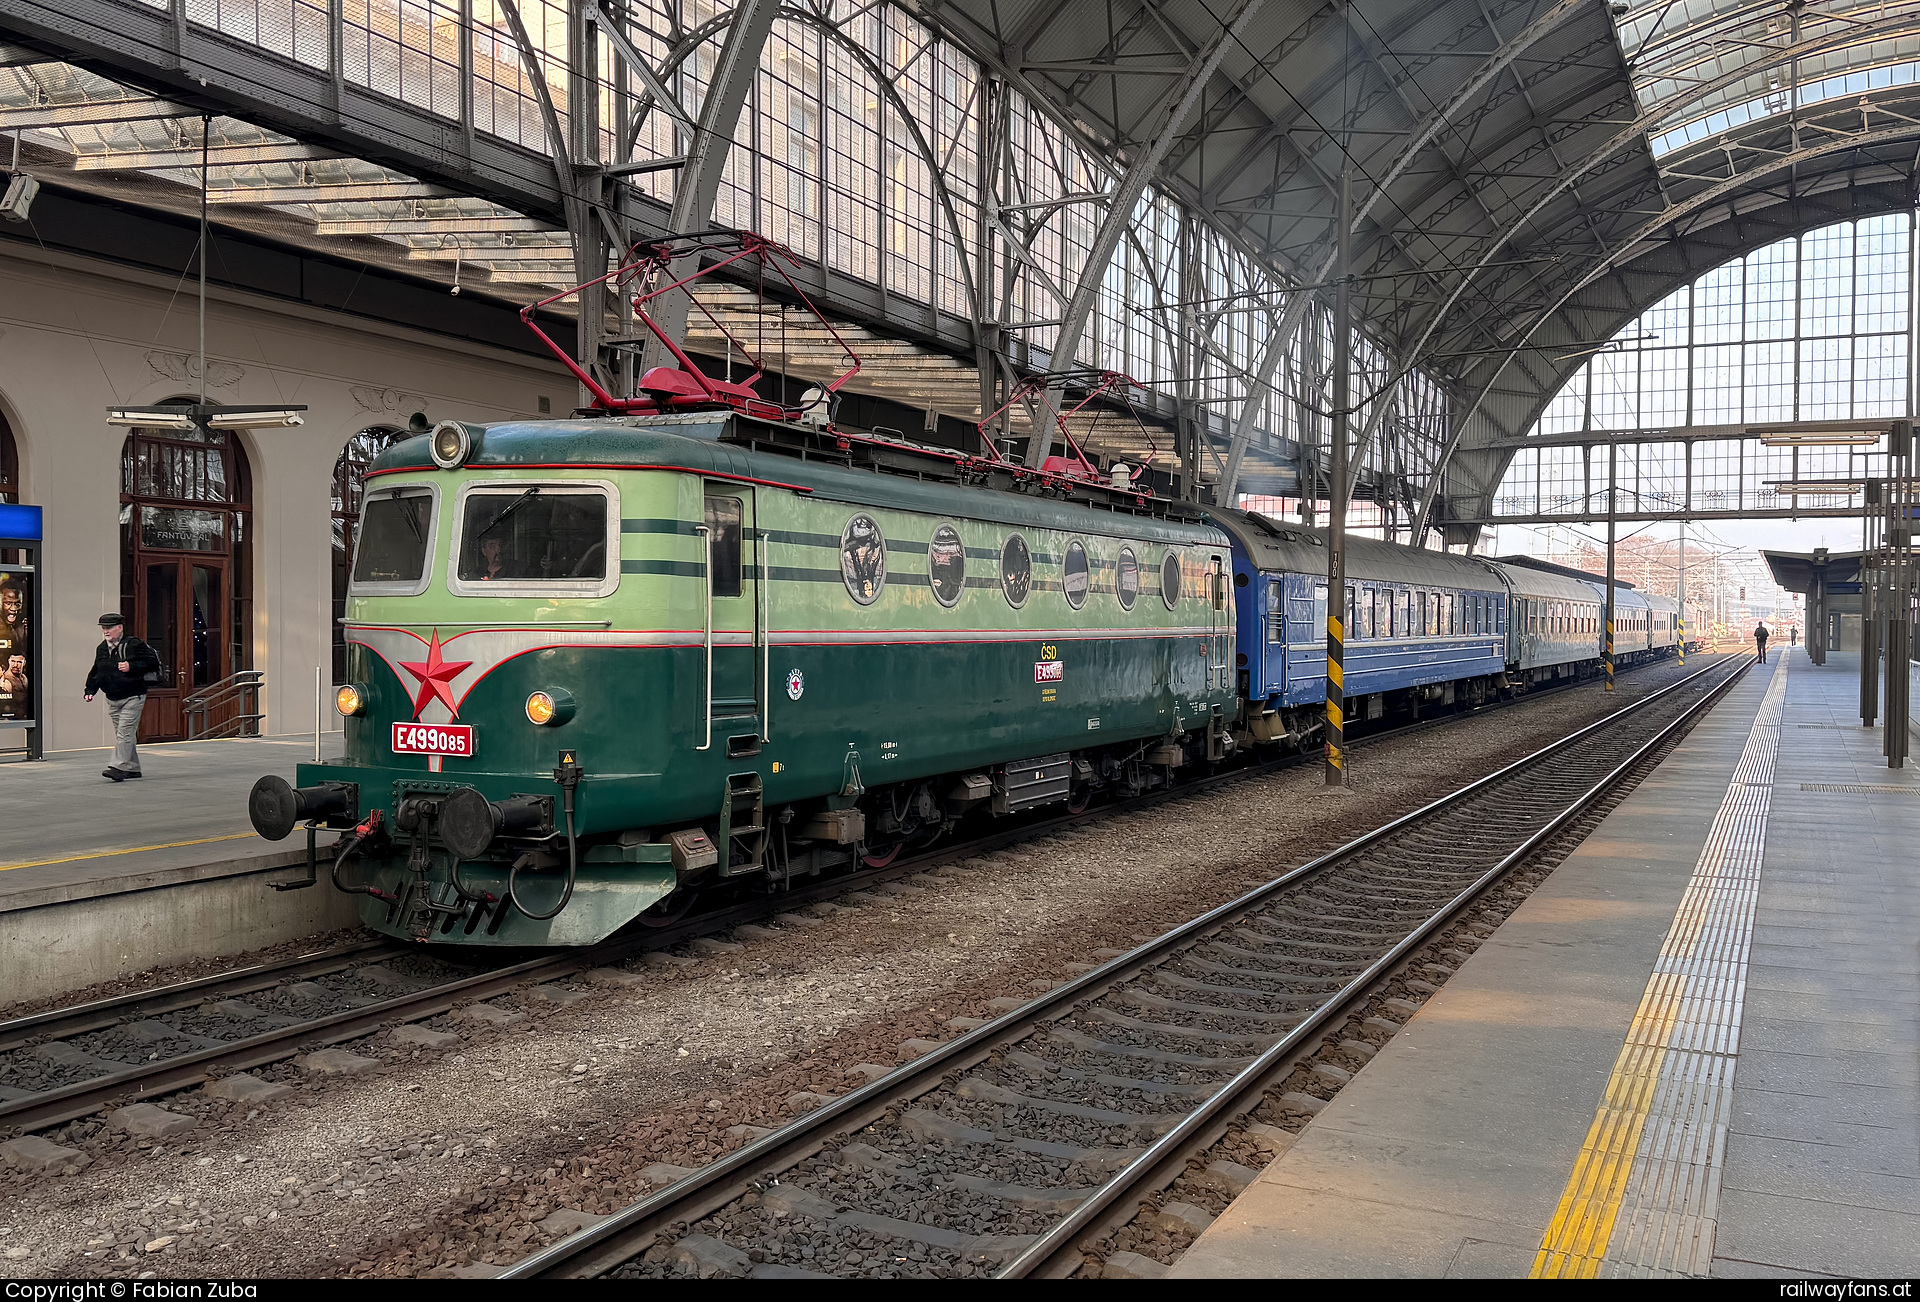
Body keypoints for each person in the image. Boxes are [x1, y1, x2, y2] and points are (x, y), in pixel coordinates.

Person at [84, 613, 159, 782]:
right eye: (103, 628)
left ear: (120, 627)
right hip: (112, 697)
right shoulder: (102, 648)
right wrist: (90, 690)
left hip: (133, 696)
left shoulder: (133, 644)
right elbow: (97, 671)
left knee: (124, 734)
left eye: (109, 628)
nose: (106, 631)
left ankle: (118, 767)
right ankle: (132, 768)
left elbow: (152, 663)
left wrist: (131, 666)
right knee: (123, 734)